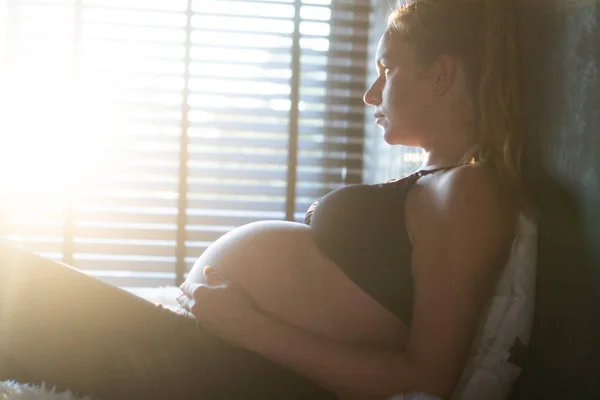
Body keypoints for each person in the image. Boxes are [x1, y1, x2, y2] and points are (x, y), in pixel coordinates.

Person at [0, 0, 530, 398]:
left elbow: (427, 380)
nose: (371, 93)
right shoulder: (438, 180)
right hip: (218, 344)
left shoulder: (471, 190)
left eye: (387, 69)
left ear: (440, 74)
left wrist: (248, 328)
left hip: (234, 363)